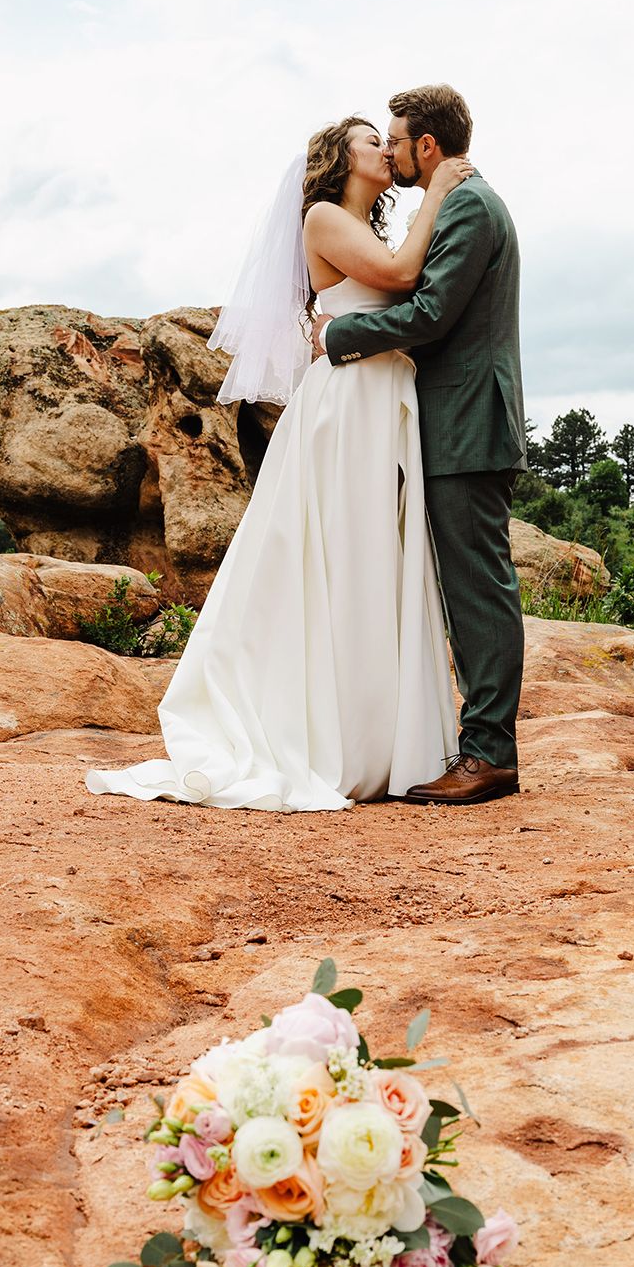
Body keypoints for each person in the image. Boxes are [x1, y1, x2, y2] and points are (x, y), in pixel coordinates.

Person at [83, 116, 472, 811]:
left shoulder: (366, 226)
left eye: (387, 140)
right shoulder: (323, 216)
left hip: (379, 396)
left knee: (373, 557)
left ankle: (375, 733)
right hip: (349, 405)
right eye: (369, 141)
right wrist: (438, 189)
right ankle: (329, 736)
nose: (384, 149)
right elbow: (402, 276)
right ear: (338, 160)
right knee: (345, 555)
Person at [313, 84, 526, 804]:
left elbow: (430, 312)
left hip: (468, 423)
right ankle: (476, 746)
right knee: (467, 588)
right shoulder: (461, 199)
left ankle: (490, 754)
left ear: (426, 147)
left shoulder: (466, 203)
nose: (392, 154)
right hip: (450, 422)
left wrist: (338, 335)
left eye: (397, 142)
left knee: (478, 589)